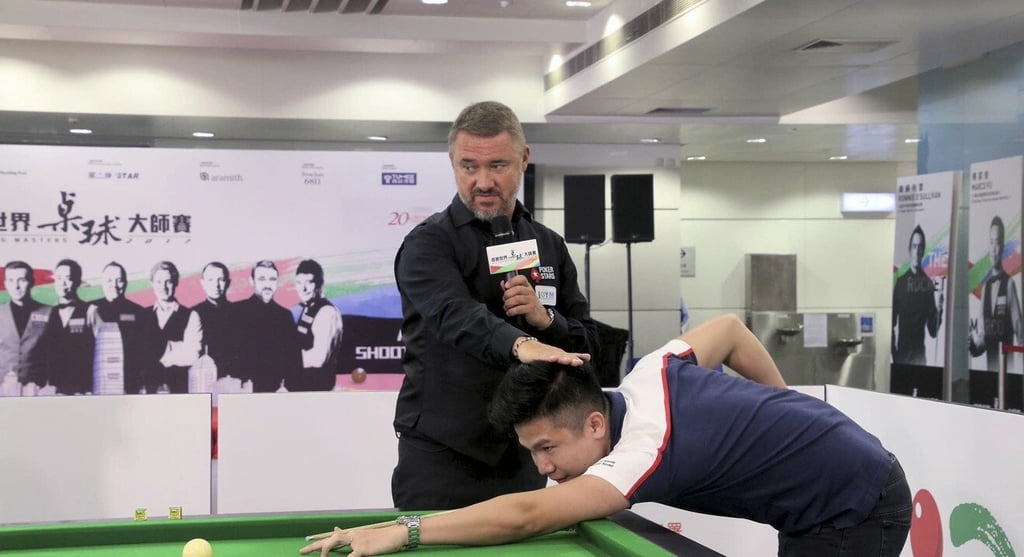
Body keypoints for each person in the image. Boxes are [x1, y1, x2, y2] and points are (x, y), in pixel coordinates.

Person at [303, 315, 910, 557]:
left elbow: (525, 516)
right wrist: (787, 410)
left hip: (855, 504)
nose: (544, 467)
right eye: (533, 452)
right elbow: (728, 330)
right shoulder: (651, 370)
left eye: (547, 449)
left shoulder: (641, 452)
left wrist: (405, 529)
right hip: (837, 478)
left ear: (596, 424)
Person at [391, 100, 599, 510]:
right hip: (443, 454)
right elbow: (455, 315)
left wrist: (546, 319)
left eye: (497, 166)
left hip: (526, 452)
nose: (483, 181)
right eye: (469, 166)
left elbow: (586, 343)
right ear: (453, 164)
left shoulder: (548, 243)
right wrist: (523, 344)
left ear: (524, 159)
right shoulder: (428, 243)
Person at [232, 259, 301, 392]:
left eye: (272, 279)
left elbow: (294, 362)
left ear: (277, 282)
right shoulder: (236, 312)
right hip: (243, 392)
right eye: (262, 279)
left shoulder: (285, 316)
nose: (267, 285)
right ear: (252, 281)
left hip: (276, 392)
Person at [91, 261, 159, 394]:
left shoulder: (140, 313)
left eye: (119, 280)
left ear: (126, 283)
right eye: (109, 280)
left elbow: (146, 353)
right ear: (102, 282)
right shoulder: (91, 310)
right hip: (97, 382)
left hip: (129, 384)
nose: (114, 285)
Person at [38, 259, 101, 394]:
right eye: (59, 278)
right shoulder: (48, 313)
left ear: (78, 282)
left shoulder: (91, 311)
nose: (63, 283)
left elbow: (102, 351)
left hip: (84, 389)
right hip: (55, 390)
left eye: (68, 278)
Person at [970, 215, 1023, 370]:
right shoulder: (985, 288)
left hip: (1008, 370)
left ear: (1003, 247)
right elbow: (982, 338)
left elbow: (1020, 335)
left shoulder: (1009, 284)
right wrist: (974, 346)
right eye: (991, 242)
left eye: (998, 243)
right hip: (989, 372)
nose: (994, 249)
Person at [148, 260, 203, 393]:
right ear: (152, 284)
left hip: (179, 388)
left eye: (168, 282)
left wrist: (159, 352)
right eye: (159, 282)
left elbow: (193, 355)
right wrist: (177, 347)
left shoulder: (191, 315)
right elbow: (138, 354)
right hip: (149, 388)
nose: (163, 287)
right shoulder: (143, 315)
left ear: (176, 283)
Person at [891, 225, 942, 365]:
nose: (917, 251)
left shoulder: (928, 285)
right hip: (901, 357)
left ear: (923, 250)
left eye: (920, 247)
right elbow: (890, 324)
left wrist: (939, 310)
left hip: (920, 358)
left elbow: (933, 331)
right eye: (914, 247)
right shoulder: (901, 283)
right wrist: (894, 354)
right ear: (910, 250)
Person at [288, 259, 343, 392]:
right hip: (304, 387)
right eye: (299, 283)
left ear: (319, 284)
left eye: (309, 282)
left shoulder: (326, 312)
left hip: (318, 389)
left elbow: (319, 358)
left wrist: (286, 357)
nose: (303, 288)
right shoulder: (309, 307)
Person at [0, 261, 52, 396]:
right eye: (11, 280)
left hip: (37, 389)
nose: (16, 286)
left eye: (21, 280)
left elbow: (56, 353)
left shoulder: (49, 312)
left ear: (32, 282)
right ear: (5, 284)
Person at [191, 261, 236, 381]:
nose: (216, 285)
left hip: (233, 379)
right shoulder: (192, 314)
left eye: (221, 280)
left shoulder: (239, 312)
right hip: (203, 379)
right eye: (210, 280)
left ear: (228, 283)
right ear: (203, 283)